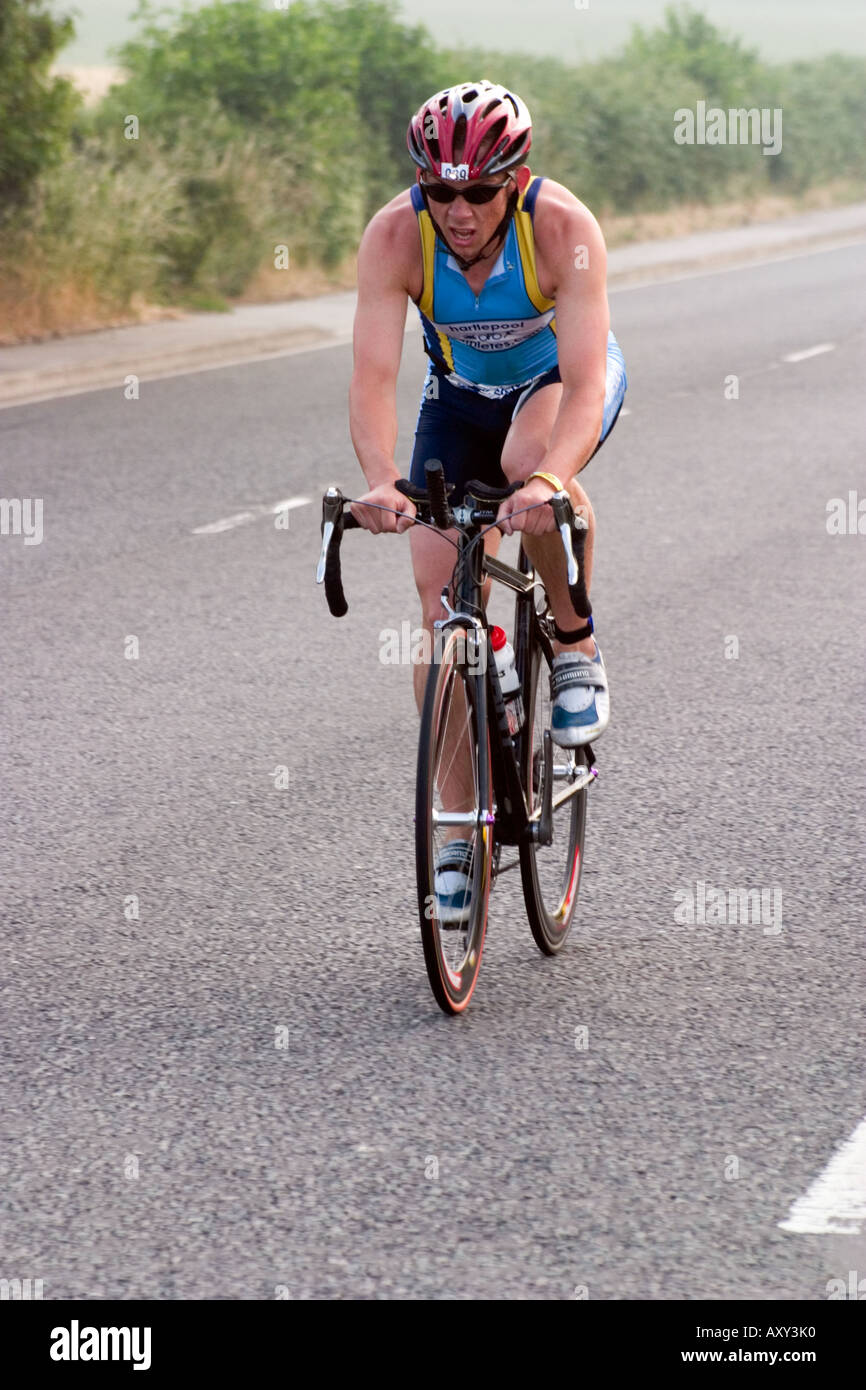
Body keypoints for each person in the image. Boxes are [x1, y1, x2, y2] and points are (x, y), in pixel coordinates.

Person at [348, 81, 627, 915]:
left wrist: (547, 481)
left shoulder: (563, 230)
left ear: (515, 175)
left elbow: (583, 387)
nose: (458, 209)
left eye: (476, 190)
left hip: (558, 386)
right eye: (440, 191)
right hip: (461, 397)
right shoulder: (396, 236)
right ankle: (460, 827)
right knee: (440, 607)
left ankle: (573, 644)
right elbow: (372, 378)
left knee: (529, 467)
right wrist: (379, 477)